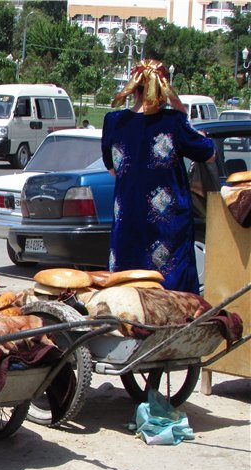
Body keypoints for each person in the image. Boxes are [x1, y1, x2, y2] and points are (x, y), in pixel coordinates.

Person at [101, 59, 215, 294]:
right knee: (169, 292)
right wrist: (185, 116)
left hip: (127, 223)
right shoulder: (173, 122)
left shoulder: (113, 122)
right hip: (167, 226)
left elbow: (113, 169)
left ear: (134, 87)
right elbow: (209, 154)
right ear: (164, 89)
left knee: (126, 288)